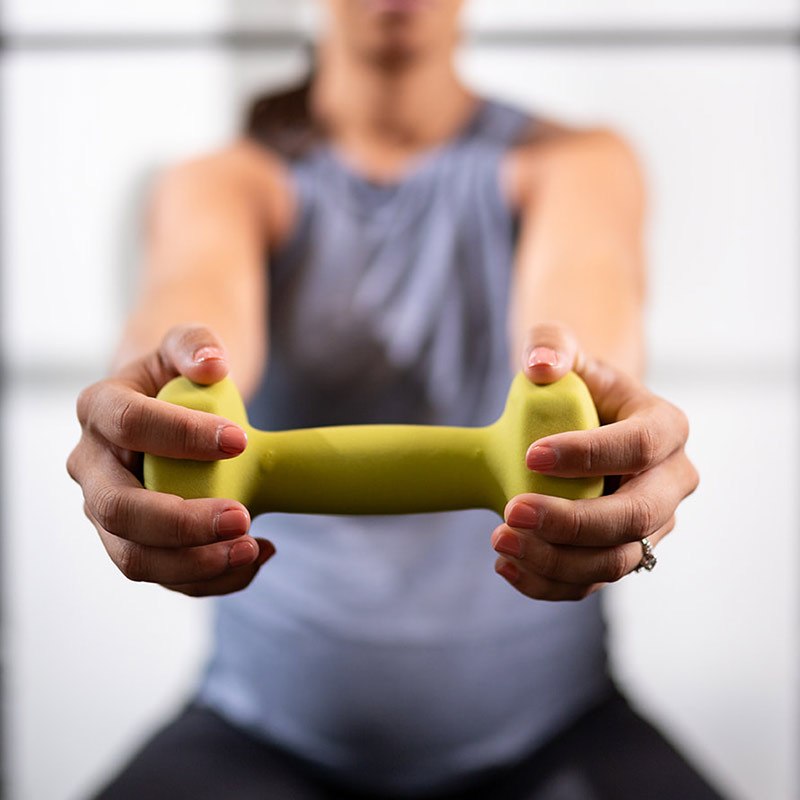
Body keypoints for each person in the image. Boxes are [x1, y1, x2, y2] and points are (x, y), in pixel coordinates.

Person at [68, 1, 718, 798]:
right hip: (258, 735)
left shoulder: (578, 161)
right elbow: (191, 300)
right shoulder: (223, 181)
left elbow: (588, 329)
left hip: (556, 731)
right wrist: (152, 402)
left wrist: (608, 423)